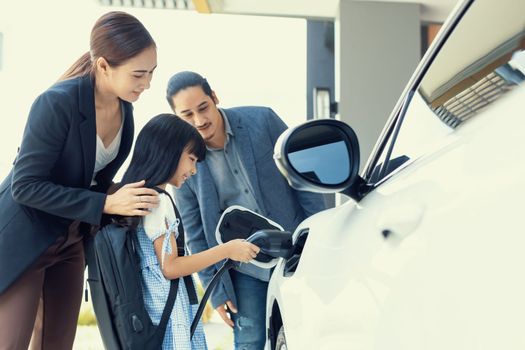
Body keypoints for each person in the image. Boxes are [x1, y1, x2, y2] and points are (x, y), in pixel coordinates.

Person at [0, 11, 159, 350]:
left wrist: (130, 195)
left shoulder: (125, 112)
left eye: (151, 73)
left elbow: (92, 180)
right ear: (104, 66)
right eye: (139, 74)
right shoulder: (55, 103)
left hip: (71, 240)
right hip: (25, 238)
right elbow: (25, 186)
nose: (147, 83)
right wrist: (105, 202)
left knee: (56, 345)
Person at [165, 71, 327, 349]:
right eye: (187, 115)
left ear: (214, 97)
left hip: (296, 249)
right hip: (244, 268)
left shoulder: (262, 121)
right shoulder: (182, 161)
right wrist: (215, 290)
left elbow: (303, 179)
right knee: (250, 340)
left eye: (203, 108)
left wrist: (316, 234)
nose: (199, 121)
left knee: (312, 330)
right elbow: (194, 232)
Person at [118, 113, 260, 349]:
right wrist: (227, 249)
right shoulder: (159, 201)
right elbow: (171, 267)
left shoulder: (133, 198)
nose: (194, 170)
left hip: (151, 316)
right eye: (192, 159)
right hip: (168, 318)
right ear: (169, 151)